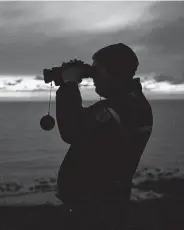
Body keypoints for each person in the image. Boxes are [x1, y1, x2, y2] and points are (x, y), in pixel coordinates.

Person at [55, 43, 153, 230]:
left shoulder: (123, 108)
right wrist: (69, 84)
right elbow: (82, 124)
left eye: (97, 71)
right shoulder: (129, 104)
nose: (94, 78)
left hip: (97, 210)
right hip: (102, 205)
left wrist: (70, 85)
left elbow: (71, 130)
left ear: (112, 72)